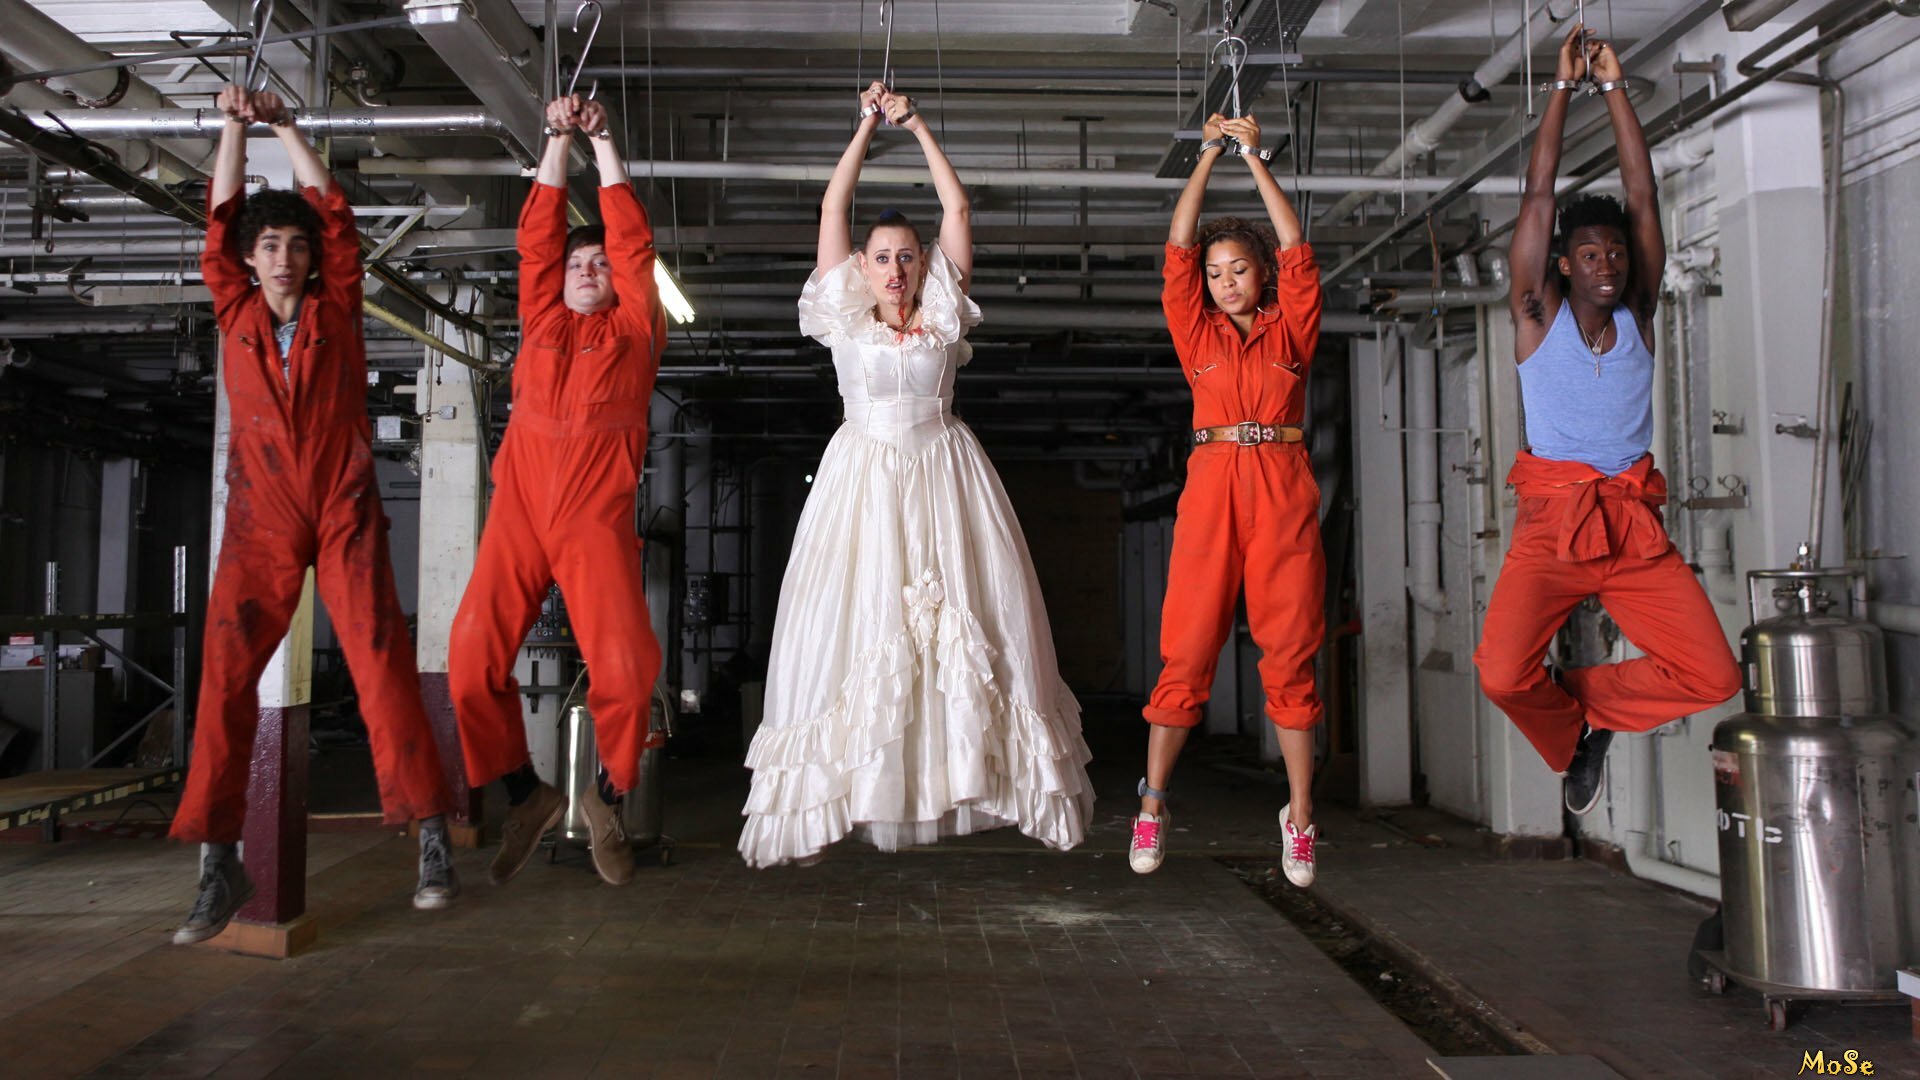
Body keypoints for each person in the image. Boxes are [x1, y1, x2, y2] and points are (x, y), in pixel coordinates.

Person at [737, 82, 1093, 868]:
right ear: (861, 267)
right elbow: (833, 207)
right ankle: (849, 787)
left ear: (922, 263)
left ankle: (964, 773)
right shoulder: (843, 317)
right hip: (863, 478)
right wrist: (865, 127)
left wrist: (918, 124)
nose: (894, 270)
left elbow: (957, 208)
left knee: (967, 621)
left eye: (906, 257)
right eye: (882, 258)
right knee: (856, 621)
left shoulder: (941, 313)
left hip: (943, 475)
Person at [172, 85, 457, 945]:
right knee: (225, 680)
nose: (286, 258)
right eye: (271, 246)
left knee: (380, 664)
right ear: (251, 259)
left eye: (296, 247)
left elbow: (336, 216)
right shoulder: (234, 311)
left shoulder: (337, 310)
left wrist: (287, 126)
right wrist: (233, 128)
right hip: (259, 517)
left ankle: (432, 836)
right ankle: (219, 863)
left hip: (342, 510)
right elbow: (219, 220)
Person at [1473, 26, 1741, 815]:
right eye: (1590, 254)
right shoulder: (1536, 314)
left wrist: (1618, 88)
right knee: (1501, 675)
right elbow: (1537, 197)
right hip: (1553, 524)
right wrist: (1562, 89)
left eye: (1616, 253)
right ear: (1563, 264)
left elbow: (1643, 194)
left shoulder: (1640, 311)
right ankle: (1572, 723)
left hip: (1630, 526)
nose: (1608, 264)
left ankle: (1589, 707)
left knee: (1714, 677)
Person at [449, 95, 666, 887]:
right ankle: (526, 793)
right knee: (469, 661)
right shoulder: (540, 317)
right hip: (519, 511)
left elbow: (635, 246)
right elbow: (537, 239)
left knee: (627, 669)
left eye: (599, 264)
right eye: (577, 264)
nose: (586, 270)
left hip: (592, 519)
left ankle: (608, 797)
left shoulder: (635, 334)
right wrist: (553, 141)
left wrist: (601, 142)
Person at [1131, 112, 1325, 888]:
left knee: (1292, 650)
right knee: (1186, 649)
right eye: (1217, 274)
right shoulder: (1197, 332)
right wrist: (1207, 156)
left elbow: (1297, 244)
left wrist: (1253, 158)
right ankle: (1152, 802)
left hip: (1280, 485)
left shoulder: (1293, 326)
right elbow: (1177, 249)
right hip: (1213, 488)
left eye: (1239, 269)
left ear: (1261, 273)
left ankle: (1300, 816)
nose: (1226, 281)